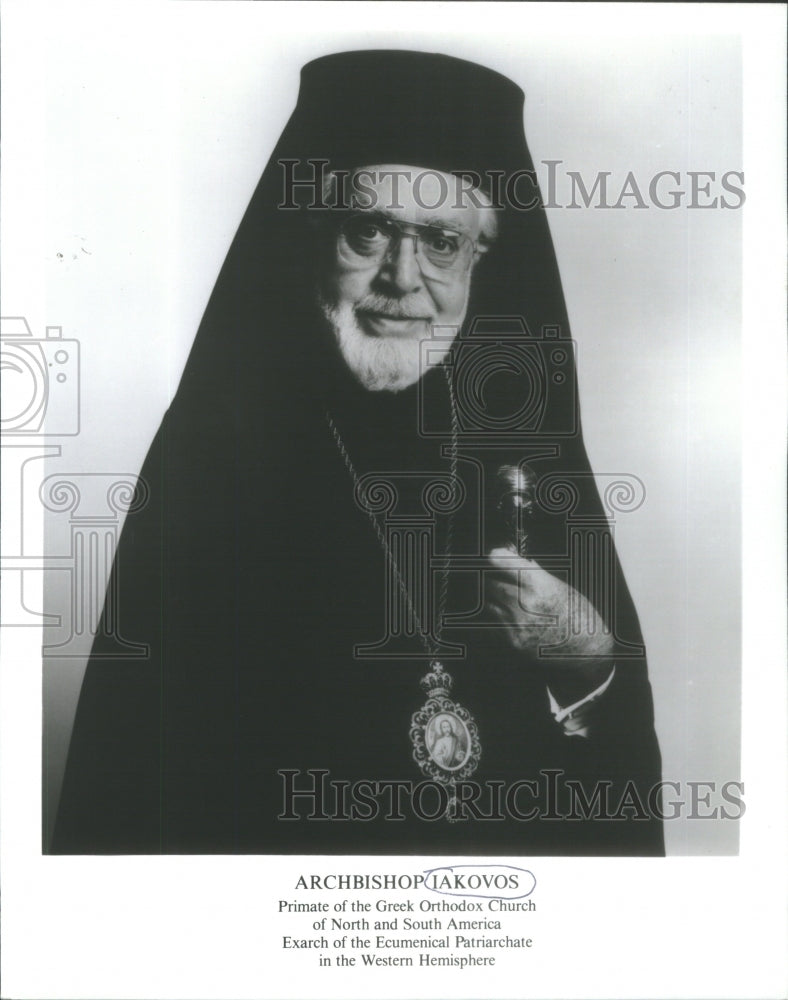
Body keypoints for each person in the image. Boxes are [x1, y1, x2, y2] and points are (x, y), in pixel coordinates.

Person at [51, 50, 664, 855]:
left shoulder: (527, 455)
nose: (401, 278)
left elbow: (612, 800)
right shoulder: (217, 455)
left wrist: (589, 666)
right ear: (311, 236)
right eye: (368, 229)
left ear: (482, 258)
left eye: (442, 241)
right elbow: (135, 781)